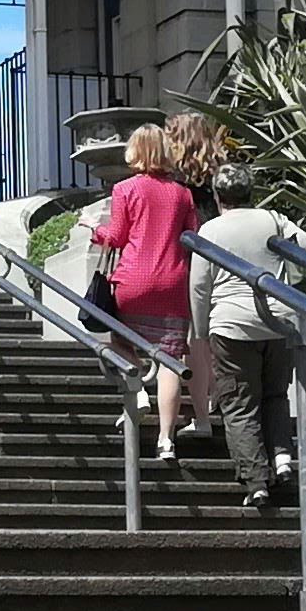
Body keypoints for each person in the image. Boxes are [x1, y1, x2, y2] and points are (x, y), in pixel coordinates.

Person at [191, 170, 306, 509]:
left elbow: (200, 285)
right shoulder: (273, 219)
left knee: (239, 403)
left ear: (217, 195)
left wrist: (200, 331)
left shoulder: (211, 230)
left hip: (232, 325)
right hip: (278, 321)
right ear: (252, 191)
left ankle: (257, 482)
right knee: (275, 394)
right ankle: (283, 458)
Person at [87, 121, 203, 460]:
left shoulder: (125, 189)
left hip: (133, 279)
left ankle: (136, 390)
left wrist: (94, 228)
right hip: (172, 282)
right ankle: (166, 440)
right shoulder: (182, 193)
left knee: (120, 339)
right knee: (170, 360)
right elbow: (192, 236)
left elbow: (116, 237)